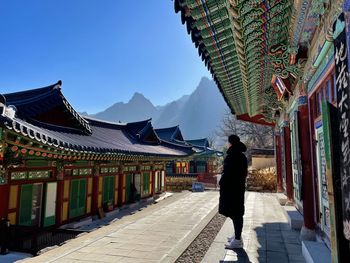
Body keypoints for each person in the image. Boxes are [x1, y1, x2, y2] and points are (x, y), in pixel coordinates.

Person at [219, 134, 248, 249]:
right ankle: (237, 236)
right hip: (237, 188)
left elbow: (228, 173)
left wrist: (222, 178)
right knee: (235, 213)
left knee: (235, 213)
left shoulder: (232, 156)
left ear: (231, 143)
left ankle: (237, 240)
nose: (227, 144)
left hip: (232, 189)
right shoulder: (241, 156)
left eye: (228, 142)